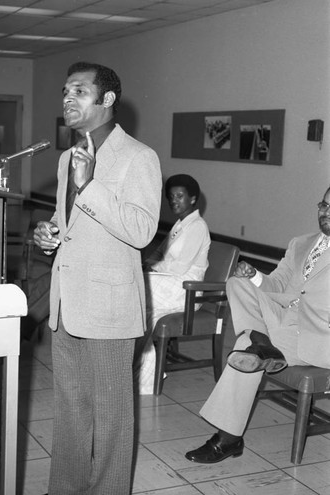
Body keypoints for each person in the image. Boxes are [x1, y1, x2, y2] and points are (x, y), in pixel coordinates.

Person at [33, 61, 162, 495]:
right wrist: (48, 233)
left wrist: (90, 186)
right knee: (70, 410)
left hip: (108, 308)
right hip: (68, 303)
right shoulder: (68, 156)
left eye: (80, 91)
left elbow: (142, 231)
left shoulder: (139, 157)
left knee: (110, 417)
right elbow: (66, 220)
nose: (68, 98)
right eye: (66, 91)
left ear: (107, 100)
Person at [185, 185, 330, 464]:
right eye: (323, 205)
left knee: (244, 347)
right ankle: (260, 342)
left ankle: (228, 438)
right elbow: (275, 285)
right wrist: (254, 276)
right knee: (237, 282)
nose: (325, 212)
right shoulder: (301, 243)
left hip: (317, 335)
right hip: (283, 320)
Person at [135, 174, 211, 394]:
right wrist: (147, 264)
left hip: (185, 290)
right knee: (140, 316)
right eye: (171, 197)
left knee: (134, 288)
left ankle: (143, 374)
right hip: (168, 285)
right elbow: (159, 253)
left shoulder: (197, 226)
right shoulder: (180, 225)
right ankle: (146, 379)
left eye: (180, 196)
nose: (174, 201)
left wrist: (150, 268)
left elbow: (178, 267)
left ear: (193, 199)